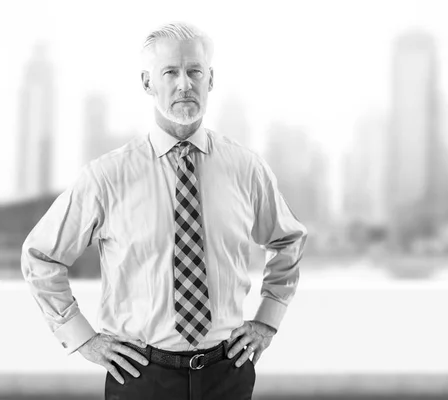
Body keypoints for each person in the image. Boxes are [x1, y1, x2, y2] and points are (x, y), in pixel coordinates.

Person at [21, 21, 308, 400]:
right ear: (147, 83)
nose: (184, 84)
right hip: (140, 376)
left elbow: (288, 240)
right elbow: (41, 256)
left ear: (211, 80)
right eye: (170, 72)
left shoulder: (246, 169)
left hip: (228, 374)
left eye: (195, 71)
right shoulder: (106, 177)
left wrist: (267, 322)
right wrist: (83, 338)